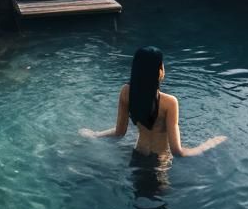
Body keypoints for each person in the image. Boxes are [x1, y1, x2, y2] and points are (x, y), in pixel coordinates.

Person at [80, 46, 227, 166]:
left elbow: (119, 132)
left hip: (137, 155)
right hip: (159, 163)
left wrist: (95, 134)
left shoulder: (126, 92)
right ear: (159, 71)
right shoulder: (170, 102)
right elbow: (178, 152)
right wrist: (208, 144)